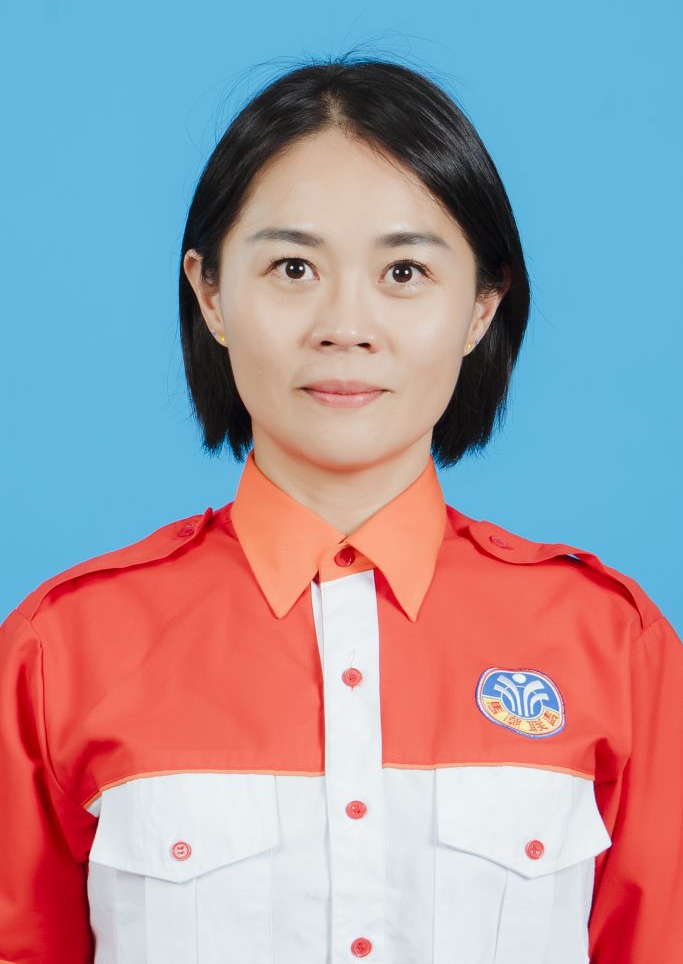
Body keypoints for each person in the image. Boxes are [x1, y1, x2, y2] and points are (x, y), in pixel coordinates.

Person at [1, 55, 681, 964]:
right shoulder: (60, 652)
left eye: (404, 271)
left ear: (482, 306)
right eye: (292, 267)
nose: (344, 326)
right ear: (210, 293)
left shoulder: (614, 647)